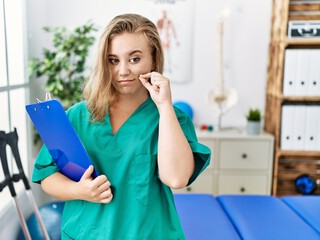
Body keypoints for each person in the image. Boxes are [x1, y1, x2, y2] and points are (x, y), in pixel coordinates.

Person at [32, 13, 211, 240]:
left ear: (154, 59)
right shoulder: (78, 116)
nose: (123, 71)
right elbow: (47, 175)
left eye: (135, 59)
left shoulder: (171, 119)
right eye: (113, 60)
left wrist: (164, 105)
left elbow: (176, 179)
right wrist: (79, 191)